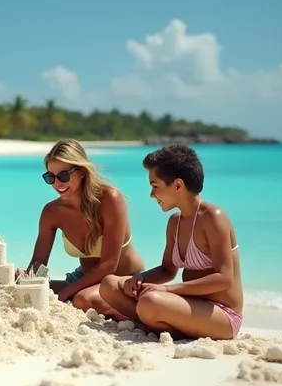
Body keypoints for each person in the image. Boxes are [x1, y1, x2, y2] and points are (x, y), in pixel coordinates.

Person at [99, 144, 243, 340]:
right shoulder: (175, 222)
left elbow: (224, 279)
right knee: (110, 284)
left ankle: (155, 324)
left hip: (222, 315)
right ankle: (158, 324)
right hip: (188, 305)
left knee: (150, 301)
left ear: (177, 185)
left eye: (154, 186)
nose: (151, 195)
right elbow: (168, 270)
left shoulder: (213, 218)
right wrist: (140, 278)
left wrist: (167, 290)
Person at [18, 139, 144, 318]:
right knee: (34, 291)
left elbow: (109, 264)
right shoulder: (52, 211)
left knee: (82, 300)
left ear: (82, 172)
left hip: (123, 280)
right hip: (82, 280)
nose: (57, 183)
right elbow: (39, 262)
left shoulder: (109, 199)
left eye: (63, 176)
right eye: (50, 177)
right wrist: (27, 277)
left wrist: (64, 294)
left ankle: (140, 313)